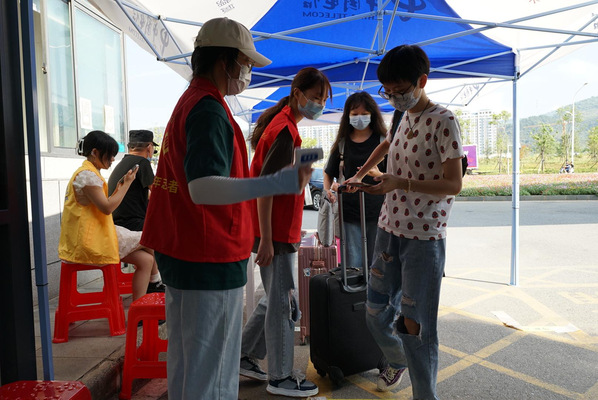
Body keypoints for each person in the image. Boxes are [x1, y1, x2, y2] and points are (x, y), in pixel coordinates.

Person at [139, 17, 312, 400]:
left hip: (188, 251)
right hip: (207, 257)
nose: (248, 71)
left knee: (190, 367)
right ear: (225, 61)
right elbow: (203, 187)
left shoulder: (194, 102)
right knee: (212, 377)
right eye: (245, 62)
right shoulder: (208, 111)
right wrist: (277, 183)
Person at [345, 44, 464, 400]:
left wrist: (401, 183)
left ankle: (425, 394)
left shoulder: (444, 120)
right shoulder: (402, 116)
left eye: (399, 90)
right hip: (389, 228)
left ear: (422, 81)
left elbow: (453, 184)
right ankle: (399, 359)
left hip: (424, 239)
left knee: (416, 326)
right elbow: (386, 146)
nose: (394, 98)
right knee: (374, 312)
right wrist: (360, 175)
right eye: (388, 92)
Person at [239, 67, 330, 398]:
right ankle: (279, 376)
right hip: (273, 234)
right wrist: (265, 239)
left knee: (277, 298)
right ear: (297, 93)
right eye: (316, 97)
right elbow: (265, 189)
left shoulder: (286, 128)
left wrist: (302, 176)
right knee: (282, 304)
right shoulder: (283, 131)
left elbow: (281, 187)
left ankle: (244, 353)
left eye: (323, 100)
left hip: (279, 231)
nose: (320, 104)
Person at [58, 130, 157, 301]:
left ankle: (138, 307)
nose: (112, 159)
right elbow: (107, 208)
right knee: (151, 239)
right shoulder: (87, 177)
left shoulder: (89, 173)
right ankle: (157, 282)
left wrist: (121, 187)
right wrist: (127, 184)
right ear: (95, 152)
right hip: (89, 241)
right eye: (109, 155)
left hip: (94, 235)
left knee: (146, 260)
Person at [323, 91, 387, 270]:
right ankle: (356, 289)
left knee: (378, 265)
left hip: (379, 213)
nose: (360, 118)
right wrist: (328, 190)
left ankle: (373, 290)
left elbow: (396, 176)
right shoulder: (342, 143)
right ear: (347, 116)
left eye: (364, 114)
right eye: (355, 114)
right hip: (349, 213)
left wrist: (379, 174)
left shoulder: (384, 142)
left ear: (372, 114)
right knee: (353, 266)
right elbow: (328, 172)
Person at [108, 129, 165, 295]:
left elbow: (144, 194)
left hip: (117, 222)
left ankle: (154, 281)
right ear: (149, 147)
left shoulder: (125, 162)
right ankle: (159, 281)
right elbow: (158, 192)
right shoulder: (142, 162)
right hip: (131, 222)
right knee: (162, 236)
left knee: (148, 254)